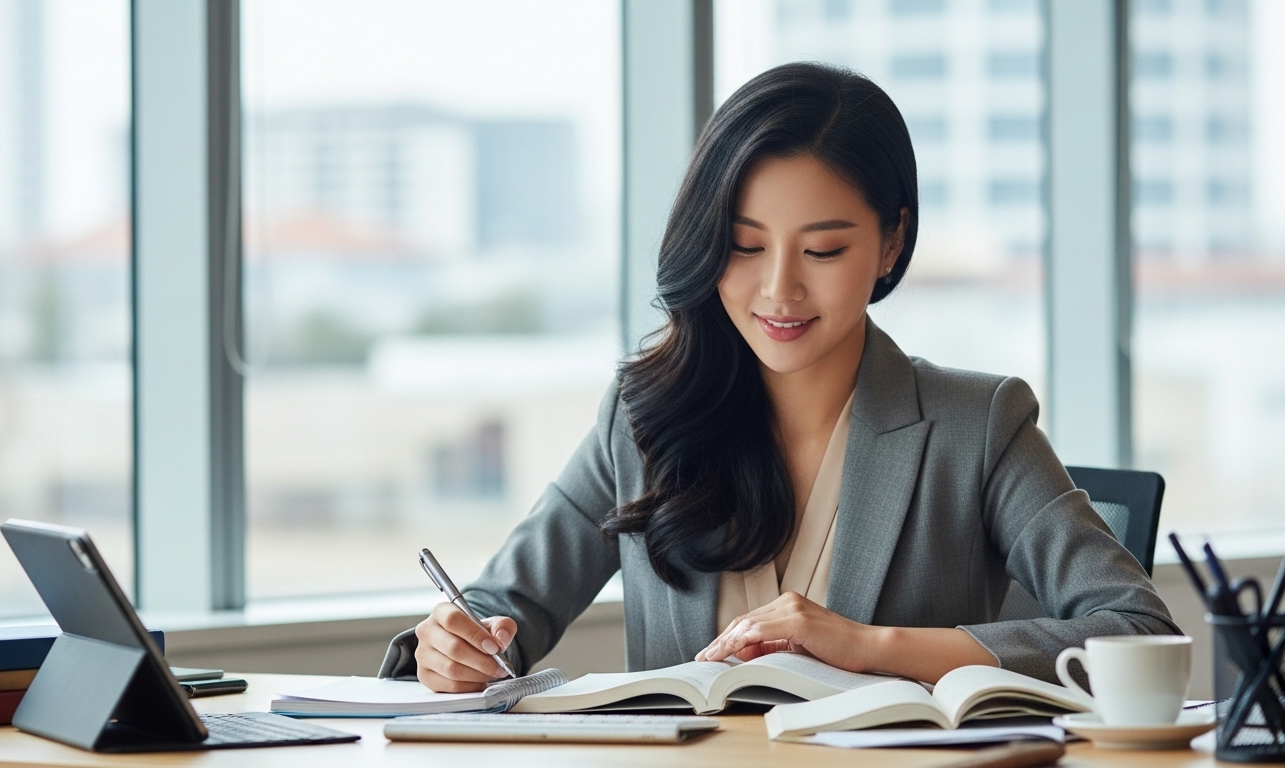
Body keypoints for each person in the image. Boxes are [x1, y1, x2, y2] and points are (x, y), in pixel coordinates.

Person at [380, 62, 1179, 693]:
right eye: (744, 244)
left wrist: (870, 648)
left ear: (892, 242)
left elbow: (1136, 628)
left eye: (824, 250)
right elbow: (500, 611)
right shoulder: (643, 417)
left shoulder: (979, 424)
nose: (779, 291)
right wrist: (457, 646)